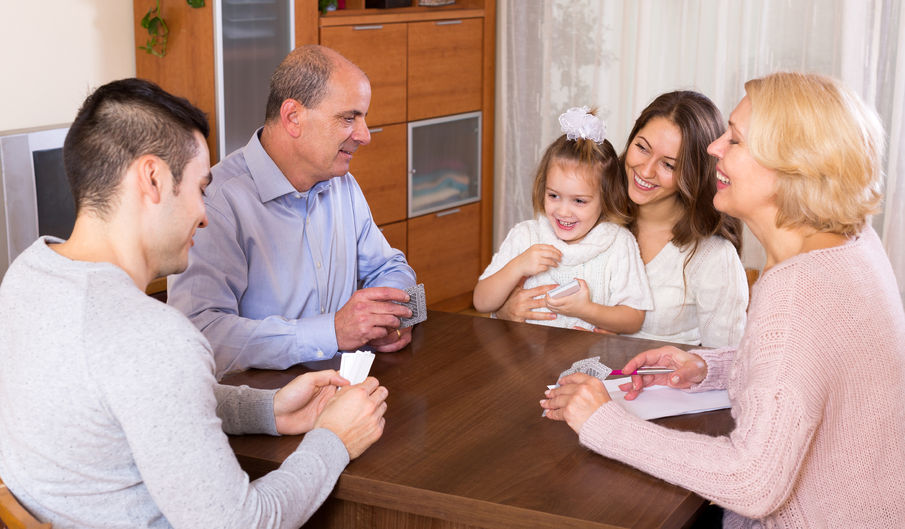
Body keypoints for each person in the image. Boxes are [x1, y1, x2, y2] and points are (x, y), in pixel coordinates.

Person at [0, 78, 389, 529]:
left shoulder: (27, 275)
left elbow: (136, 401)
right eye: (200, 188)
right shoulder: (155, 338)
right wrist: (333, 440)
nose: (205, 214)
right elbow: (246, 523)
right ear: (152, 178)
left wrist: (267, 408)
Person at [541, 72, 905, 528]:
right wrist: (708, 367)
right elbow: (811, 368)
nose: (715, 148)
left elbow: (752, 481)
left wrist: (603, 422)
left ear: (790, 166)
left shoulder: (796, 295)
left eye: (734, 140)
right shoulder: (848, 245)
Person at [168, 45, 416, 378]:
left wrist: (390, 316)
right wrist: (331, 332)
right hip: (261, 405)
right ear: (293, 118)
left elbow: (390, 266)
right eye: (348, 117)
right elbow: (200, 333)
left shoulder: (342, 184)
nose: (364, 135)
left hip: (346, 388)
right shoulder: (217, 202)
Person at [497, 91, 748, 348]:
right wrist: (506, 311)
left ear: (693, 174)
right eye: (642, 148)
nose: (646, 171)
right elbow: (517, 290)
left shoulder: (712, 257)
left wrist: (620, 345)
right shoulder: (587, 214)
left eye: (669, 165)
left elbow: (727, 363)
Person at [473, 107, 652, 332]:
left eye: (579, 201)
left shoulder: (618, 243)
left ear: (606, 199)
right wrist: (517, 266)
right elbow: (481, 302)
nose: (563, 212)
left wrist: (584, 309)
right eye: (554, 196)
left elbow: (633, 318)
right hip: (524, 359)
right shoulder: (526, 235)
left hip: (586, 363)